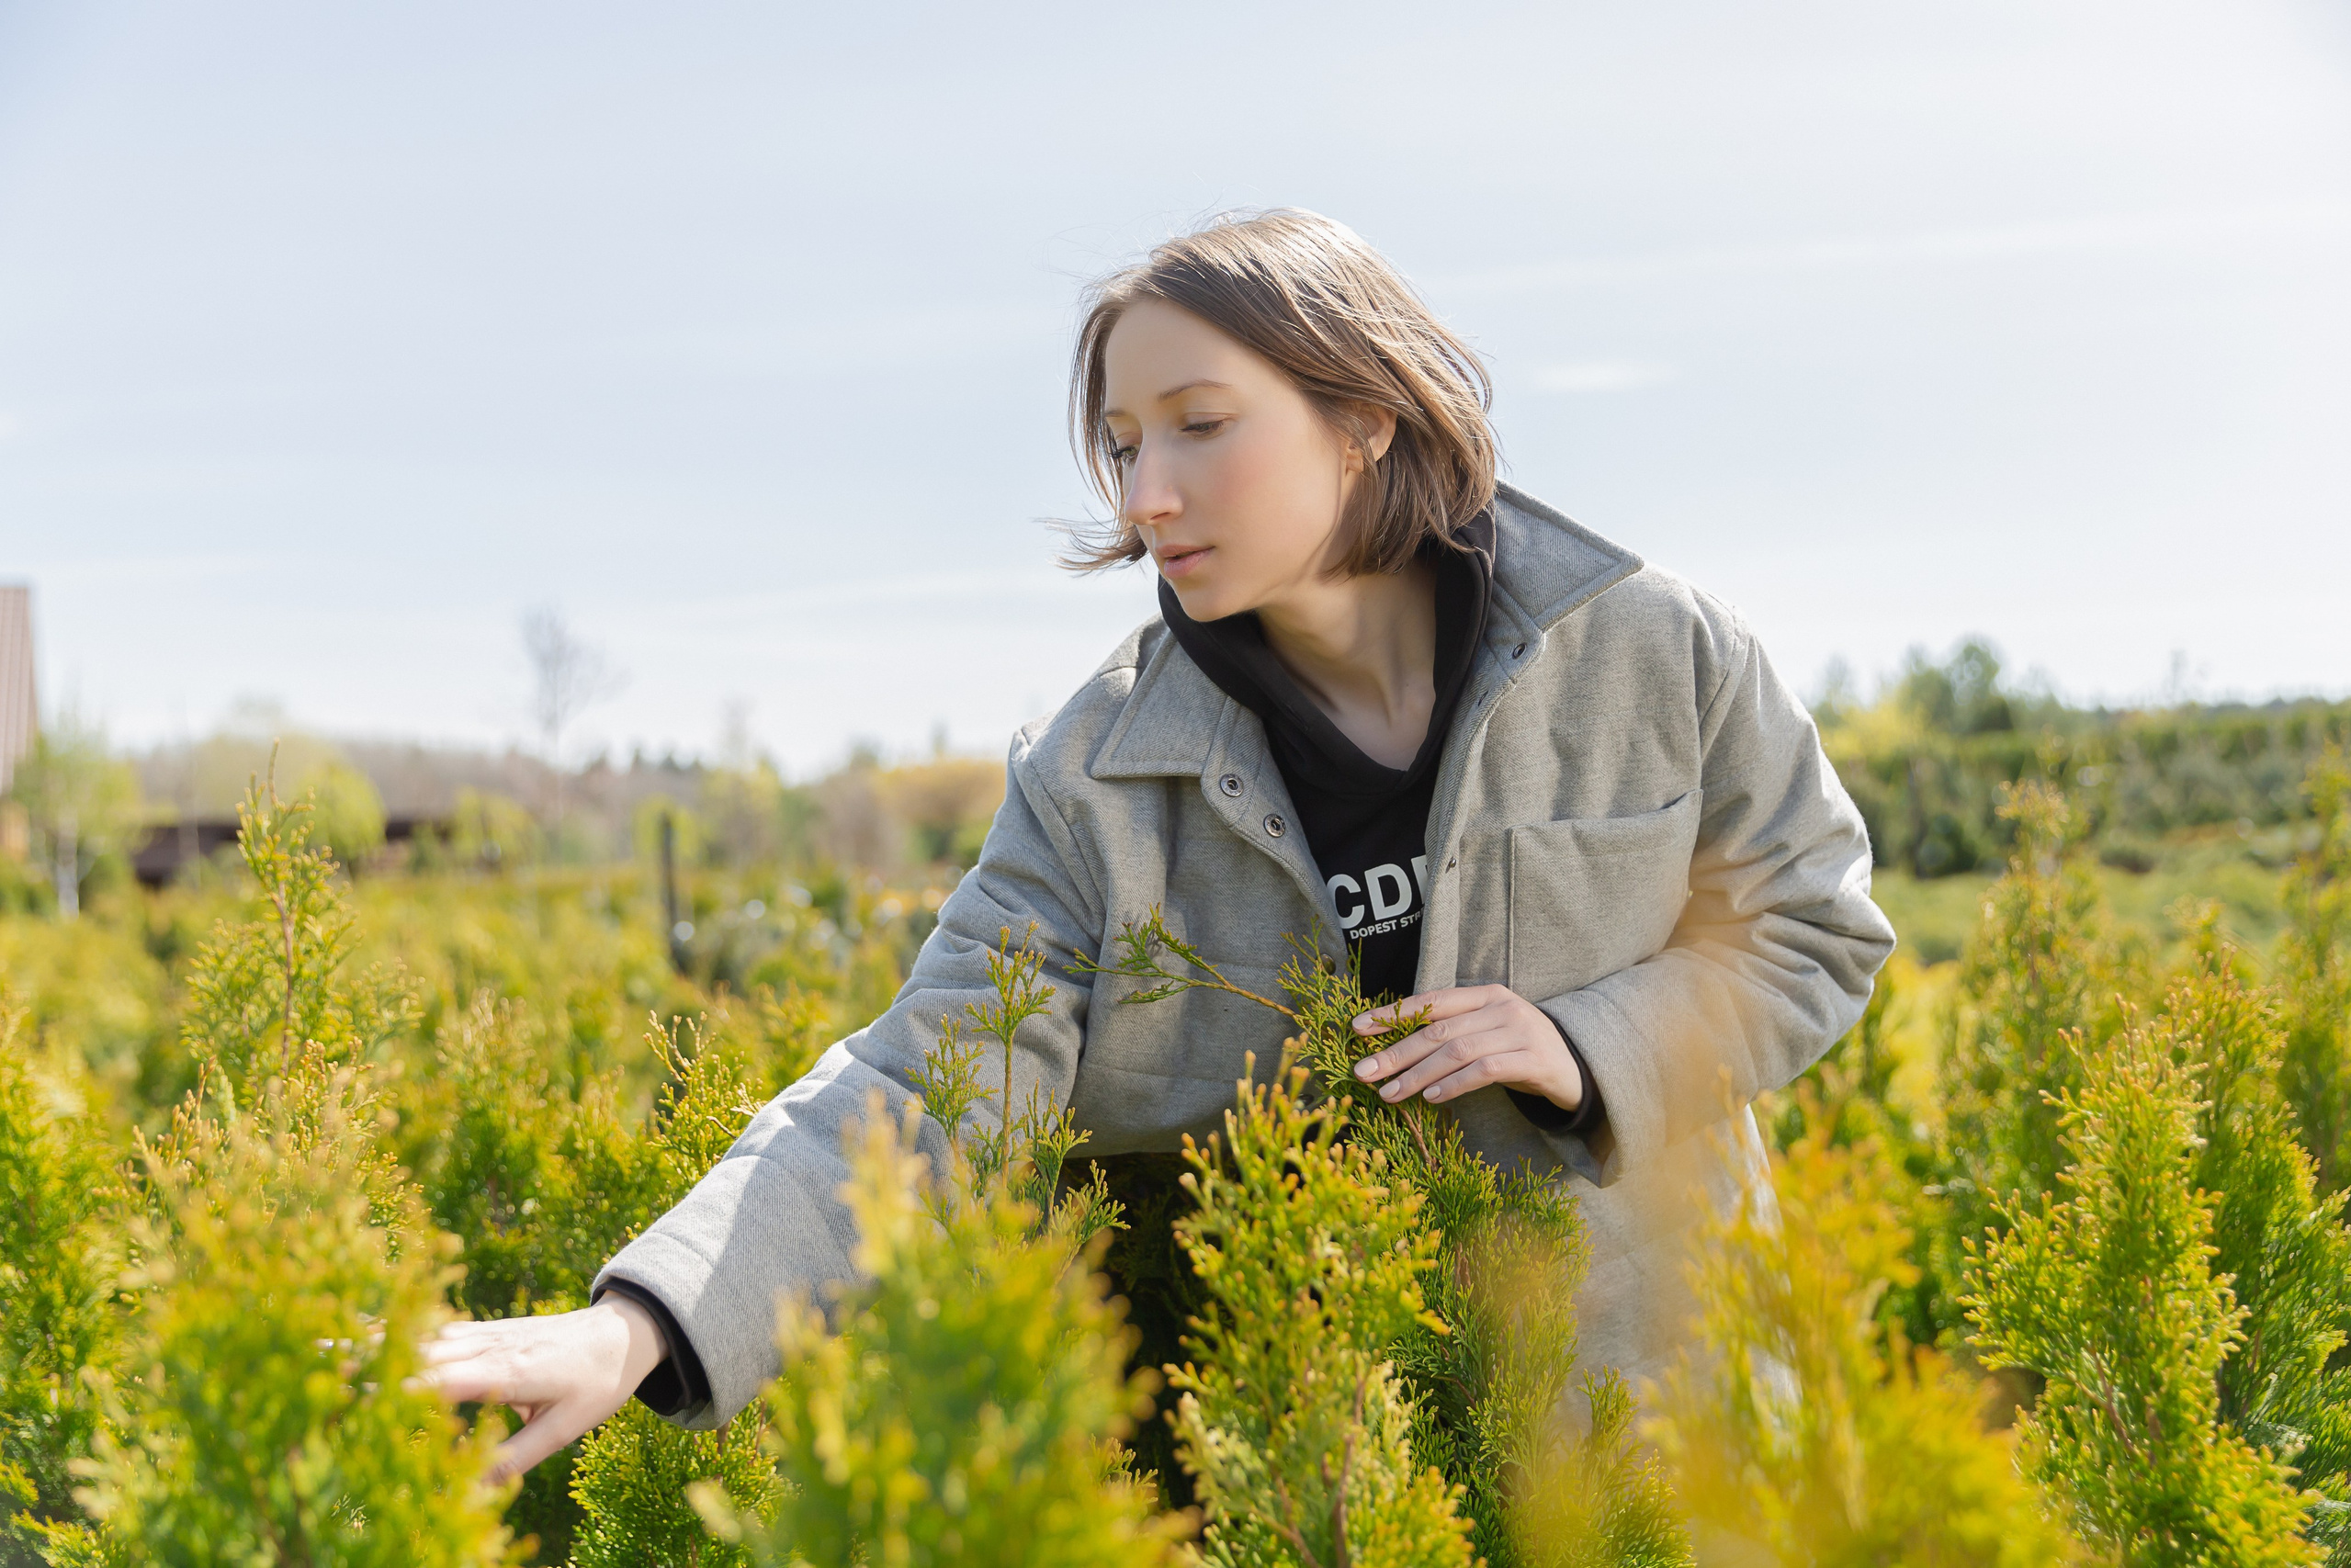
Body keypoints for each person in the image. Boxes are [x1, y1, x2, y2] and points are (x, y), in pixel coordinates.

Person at [423, 209, 1895, 1481]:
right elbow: (928, 1073)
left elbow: (1814, 932)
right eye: (1124, 446)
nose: (1147, 496)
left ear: (1363, 409)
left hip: (1659, 1422)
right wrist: (641, 1322)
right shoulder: (1096, 778)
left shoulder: (1649, 649)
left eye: (1201, 423)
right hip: (1307, 1457)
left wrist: (1585, 1044)